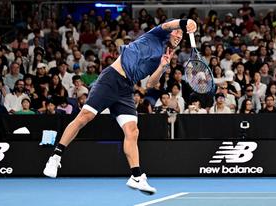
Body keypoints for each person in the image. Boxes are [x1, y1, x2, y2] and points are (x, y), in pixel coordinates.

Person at [43, 18, 198, 195]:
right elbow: (170, 24)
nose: (179, 35)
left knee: (133, 131)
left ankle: (136, 177)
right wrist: (185, 22)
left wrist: (162, 67)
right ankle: (55, 156)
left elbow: (150, 84)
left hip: (126, 89)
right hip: (111, 79)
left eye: (181, 34)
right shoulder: (156, 34)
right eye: (177, 32)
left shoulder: (164, 54)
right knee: (85, 117)